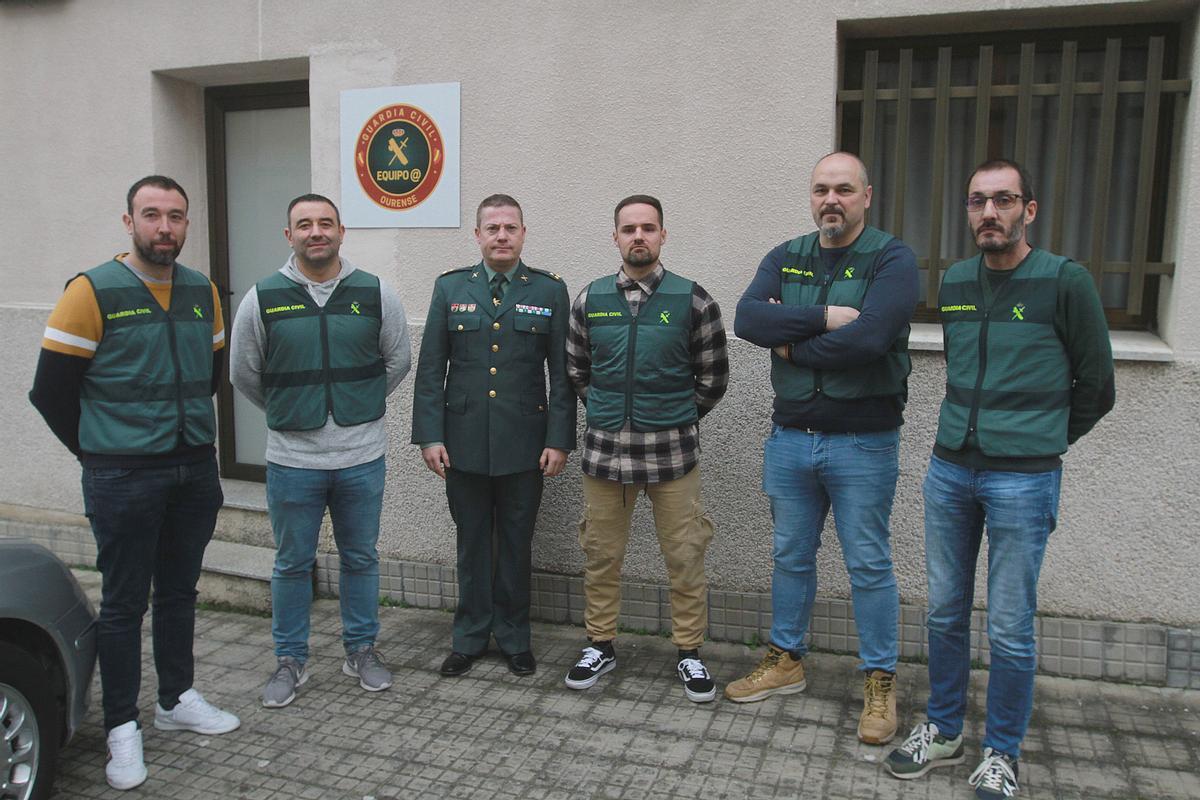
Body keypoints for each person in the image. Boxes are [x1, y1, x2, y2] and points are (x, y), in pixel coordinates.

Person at [885, 159, 1115, 799]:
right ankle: (945, 728)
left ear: (1029, 210)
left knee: (1011, 624)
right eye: (978, 201)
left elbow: (1097, 386)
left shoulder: (1066, 282)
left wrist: (1044, 440)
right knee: (944, 612)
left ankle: (1002, 752)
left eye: (1004, 200)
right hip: (950, 470)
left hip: (1023, 480)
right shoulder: (956, 281)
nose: (990, 213)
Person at [29, 176, 240, 791]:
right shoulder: (92, 291)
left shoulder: (203, 292)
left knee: (179, 592)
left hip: (194, 468)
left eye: (176, 216)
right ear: (129, 222)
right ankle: (122, 727)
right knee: (123, 604)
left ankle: (175, 700)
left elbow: (210, 376)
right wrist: (98, 451)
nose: (165, 227)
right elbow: (51, 393)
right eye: (152, 215)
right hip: (122, 473)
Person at [730, 152, 918, 744]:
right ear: (810, 197)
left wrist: (792, 345)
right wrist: (827, 316)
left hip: (863, 442)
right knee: (790, 555)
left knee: (867, 564)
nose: (830, 200)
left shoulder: (893, 258)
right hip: (790, 439)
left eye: (843, 189)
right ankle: (785, 661)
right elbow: (748, 319)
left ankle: (880, 681)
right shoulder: (786, 256)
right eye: (820, 189)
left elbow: (870, 339)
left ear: (867, 195)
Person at [229, 193, 411, 708]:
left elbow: (398, 358)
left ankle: (362, 650)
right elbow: (244, 372)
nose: (316, 232)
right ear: (289, 236)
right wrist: (292, 407)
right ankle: (290, 660)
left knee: (360, 558)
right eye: (304, 224)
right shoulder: (262, 297)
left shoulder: (375, 293)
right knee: (291, 563)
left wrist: (358, 401)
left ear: (340, 231)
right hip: (293, 460)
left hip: (361, 456)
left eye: (325, 223)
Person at [564, 194, 728, 703]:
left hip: (673, 454)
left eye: (648, 228)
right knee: (601, 553)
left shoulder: (694, 300)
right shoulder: (590, 299)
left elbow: (714, 377)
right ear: (614, 237)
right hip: (604, 455)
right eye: (629, 228)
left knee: (684, 554)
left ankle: (689, 651)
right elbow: (577, 371)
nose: (639, 236)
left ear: (662, 235)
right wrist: (614, 414)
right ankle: (601, 644)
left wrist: (672, 416)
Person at [412, 194, 574, 677]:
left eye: (510, 227)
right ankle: (468, 637)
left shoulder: (548, 291)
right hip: (461, 443)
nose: (501, 236)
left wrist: (559, 439)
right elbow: (430, 371)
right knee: (472, 542)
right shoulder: (450, 288)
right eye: (492, 228)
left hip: (526, 445)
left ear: (523, 234)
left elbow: (562, 376)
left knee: (516, 543)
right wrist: (429, 437)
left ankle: (514, 637)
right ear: (478, 235)